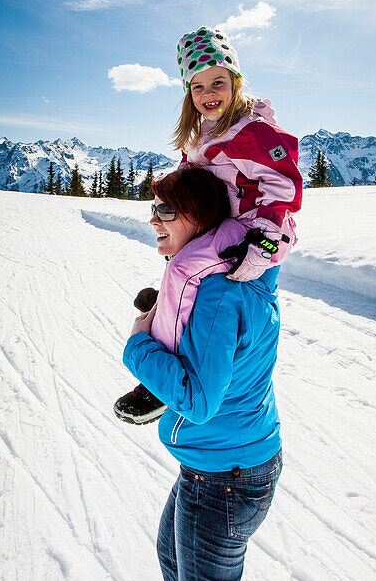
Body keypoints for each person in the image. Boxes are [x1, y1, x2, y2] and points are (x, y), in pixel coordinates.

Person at [122, 164, 302, 581]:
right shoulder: (238, 266)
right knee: (169, 546)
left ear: (199, 216)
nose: (155, 222)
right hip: (239, 463)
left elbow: (197, 397)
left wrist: (137, 348)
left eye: (166, 212)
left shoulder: (217, 291)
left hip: (223, 480)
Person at [115, 26, 303, 424]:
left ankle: (164, 373)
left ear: (235, 81)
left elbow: (283, 190)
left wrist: (263, 245)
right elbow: (192, 171)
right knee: (178, 260)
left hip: (251, 229)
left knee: (185, 268)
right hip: (219, 225)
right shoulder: (203, 133)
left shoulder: (254, 132)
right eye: (197, 87)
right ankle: (168, 333)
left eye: (217, 81)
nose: (208, 93)